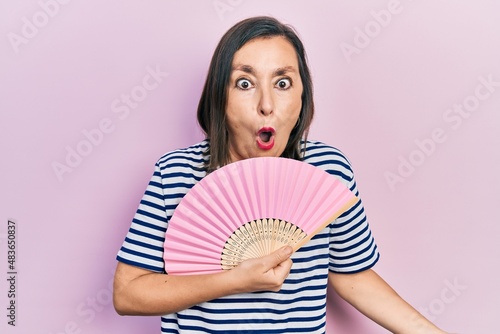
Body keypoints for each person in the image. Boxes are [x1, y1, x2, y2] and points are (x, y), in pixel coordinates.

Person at [113, 16, 450, 333]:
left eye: (283, 82)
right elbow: (127, 294)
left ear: (302, 97)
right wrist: (234, 280)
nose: (266, 104)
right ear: (220, 97)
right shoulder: (175, 174)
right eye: (244, 83)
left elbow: (353, 277)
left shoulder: (328, 171)